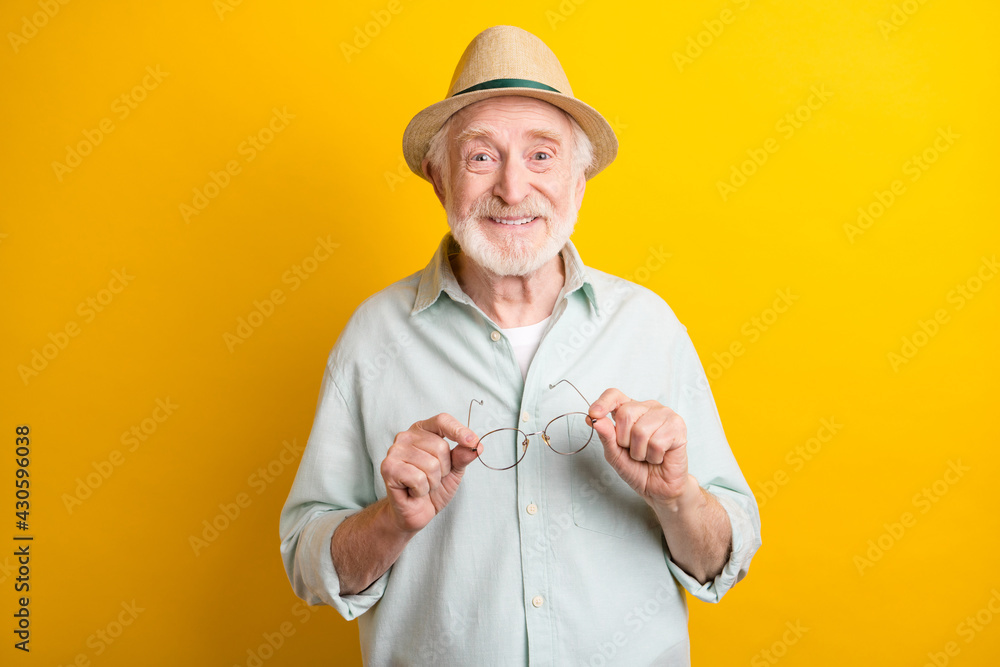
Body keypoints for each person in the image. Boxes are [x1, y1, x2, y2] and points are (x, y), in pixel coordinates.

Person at [280, 25, 761, 666]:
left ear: (579, 176)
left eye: (541, 156)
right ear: (438, 176)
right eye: (481, 156)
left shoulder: (650, 326)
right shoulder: (373, 338)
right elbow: (310, 567)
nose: (512, 189)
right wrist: (389, 520)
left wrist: (677, 498)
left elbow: (723, 559)